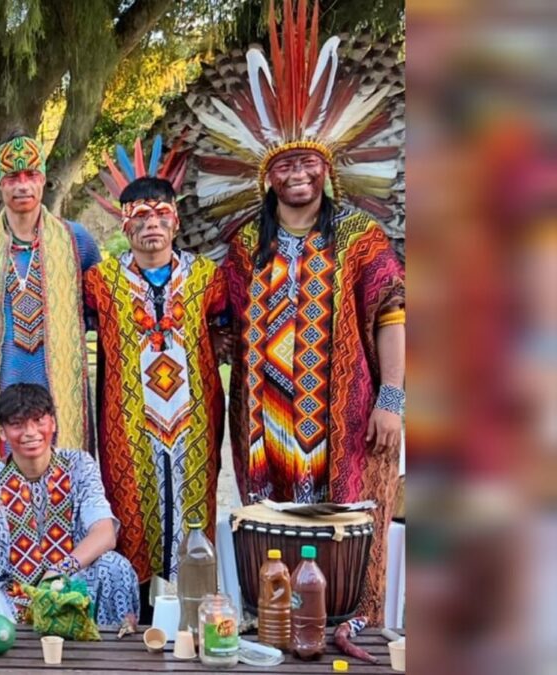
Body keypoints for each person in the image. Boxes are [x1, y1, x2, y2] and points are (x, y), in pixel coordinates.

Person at [181, 0, 405, 619]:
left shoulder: (360, 235)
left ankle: (344, 622)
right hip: (263, 417)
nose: (298, 172)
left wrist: (393, 398)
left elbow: (391, 312)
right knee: (271, 526)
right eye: (285, 164)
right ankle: (278, 619)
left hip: (344, 409)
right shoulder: (245, 245)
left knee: (344, 521)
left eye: (308, 162)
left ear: (326, 169)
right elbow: (215, 316)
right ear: (267, 178)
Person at [83, 147, 227, 607]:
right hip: (128, 422)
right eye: (139, 216)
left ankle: (196, 612)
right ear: (125, 225)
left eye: (161, 213)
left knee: (194, 513)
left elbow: (227, 332)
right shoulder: (100, 282)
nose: (151, 224)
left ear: (176, 221)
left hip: (196, 418)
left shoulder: (207, 277)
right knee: (131, 508)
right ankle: (138, 616)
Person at [0, 131, 100, 474]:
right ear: (0, 183)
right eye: (13, 177)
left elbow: (100, 310)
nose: (22, 185)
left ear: (43, 179)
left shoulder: (76, 241)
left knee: (65, 482)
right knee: (4, 489)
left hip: (60, 392)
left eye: (31, 175)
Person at [0, 384, 139, 626]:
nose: (30, 432)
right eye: (17, 424)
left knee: (114, 566)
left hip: (73, 583)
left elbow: (104, 533)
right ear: (3, 432)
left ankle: (111, 652)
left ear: (53, 423)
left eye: (38, 420)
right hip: (11, 592)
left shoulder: (80, 466)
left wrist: (60, 570)